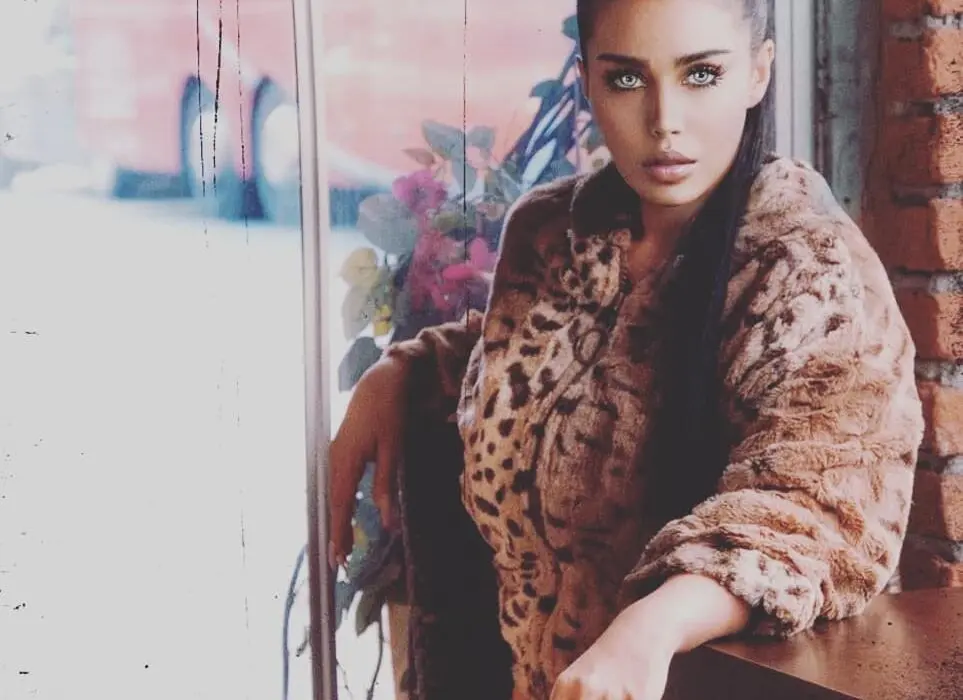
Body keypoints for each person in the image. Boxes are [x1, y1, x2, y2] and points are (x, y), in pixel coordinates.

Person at [328, 0, 925, 698]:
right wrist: (398, 372)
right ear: (586, 79)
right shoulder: (551, 233)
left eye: (700, 74)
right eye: (627, 79)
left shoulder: (809, 270)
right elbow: (540, 363)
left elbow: (818, 511)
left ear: (758, 72)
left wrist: (650, 628)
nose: (664, 120)